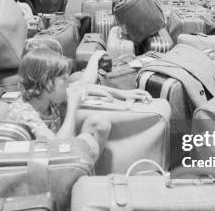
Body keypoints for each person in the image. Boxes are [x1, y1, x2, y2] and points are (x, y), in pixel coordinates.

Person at [10, 49, 149, 142]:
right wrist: (72, 107)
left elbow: (84, 84)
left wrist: (123, 93)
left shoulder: (46, 96)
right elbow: (57, 150)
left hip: (53, 160)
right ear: (47, 82)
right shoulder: (24, 113)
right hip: (44, 167)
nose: (67, 83)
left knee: (99, 124)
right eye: (64, 79)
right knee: (89, 139)